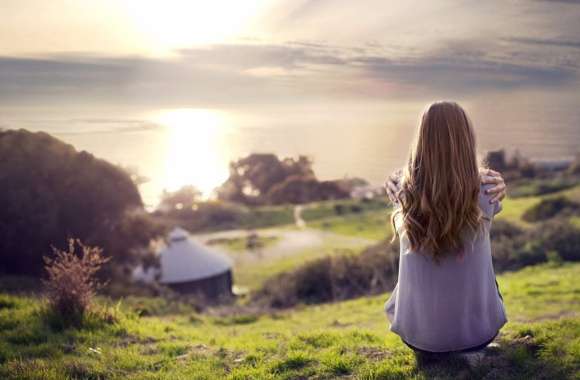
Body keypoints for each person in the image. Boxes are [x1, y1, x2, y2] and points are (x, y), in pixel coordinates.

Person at [382, 101, 508, 354]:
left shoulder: (403, 190)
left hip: (418, 339)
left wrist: (396, 179)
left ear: (421, 139)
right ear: (466, 139)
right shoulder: (487, 189)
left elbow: (407, 179)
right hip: (477, 336)